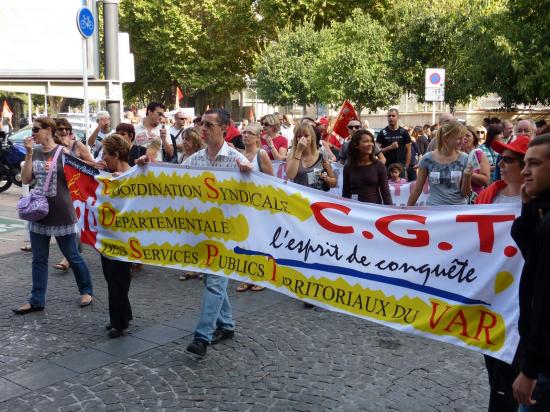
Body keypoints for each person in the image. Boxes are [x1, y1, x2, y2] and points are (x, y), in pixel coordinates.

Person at [180, 108, 253, 357]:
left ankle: (202, 336)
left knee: (214, 280)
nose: (203, 128)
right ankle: (227, 324)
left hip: (228, 234)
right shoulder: (193, 161)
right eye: (202, 123)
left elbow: (255, 195)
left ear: (225, 128)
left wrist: (248, 176)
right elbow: (170, 185)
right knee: (213, 280)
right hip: (202, 232)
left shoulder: (238, 161)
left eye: (209, 125)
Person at [12, 117, 93, 314]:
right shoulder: (36, 152)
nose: (33, 133)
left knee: (72, 255)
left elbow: (83, 174)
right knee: (39, 259)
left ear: (49, 130)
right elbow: (25, 179)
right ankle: (36, 299)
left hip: (61, 212)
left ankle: (86, 290)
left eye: (36, 129)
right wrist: (30, 154)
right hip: (38, 212)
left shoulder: (62, 152)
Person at [475, 136, 529, 412]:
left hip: (522, 297)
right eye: (500, 158)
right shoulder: (491, 193)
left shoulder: (537, 201)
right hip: (491, 293)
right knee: (493, 366)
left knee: (512, 370)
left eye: (508, 160)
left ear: (525, 167)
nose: (500, 164)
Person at [510, 133, 550, 411]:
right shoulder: (542, 216)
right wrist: (528, 207)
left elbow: (544, 301)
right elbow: (530, 251)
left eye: (533, 164)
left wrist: (530, 369)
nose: (524, 172)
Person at [95, 134, 134, 338]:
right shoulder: (109, 175)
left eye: (106, 154)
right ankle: (124, 315)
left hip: (124, 238)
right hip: (108, 235)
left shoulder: (131, 176)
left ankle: (119, 323)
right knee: (111, 277)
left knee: (118, 279)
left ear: (116, 154)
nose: (104, 158)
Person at [52, 117, 96, 272]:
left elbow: (93, 165)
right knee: (66, 225)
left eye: (67, 129)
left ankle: (68, 258)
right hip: (58, 191)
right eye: (60, 129)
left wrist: (71, 158)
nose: (64, 132)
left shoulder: (77, 146)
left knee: (75, 222)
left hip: (76, 189)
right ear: (54, 132)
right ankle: (74, 252)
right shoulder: (52, 147)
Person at [236, 123, 274, 292]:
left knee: (259, 242)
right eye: (244, 132)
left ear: (258, 137)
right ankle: (246, 276)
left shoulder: (262, 154)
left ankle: (262, 277)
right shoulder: (239, 154)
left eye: (250, 133)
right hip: (243, 204)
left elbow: (271, 180)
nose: (245, 135)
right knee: (245, 241)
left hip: (259, 205)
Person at [407, 120, 472, 206]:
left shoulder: (465, 158)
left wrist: (468, 177)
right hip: (435, 212)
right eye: (459, 138)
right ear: (446, 138)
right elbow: (417, 189)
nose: (463, 141)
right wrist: (406, 212)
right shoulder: (427, 159)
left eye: (463, 138)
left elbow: (465, 194)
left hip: (458, 211)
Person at [342, 129, 392, 205]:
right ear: (356, 145)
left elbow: (385, 193)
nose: (370, 144)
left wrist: (390, 213)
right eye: (366, 141)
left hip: (374, 210)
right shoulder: (348, 167)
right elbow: (345, 193)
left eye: (371, 141)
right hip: (354, 210)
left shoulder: (379, 165)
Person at [286, 123, 337, 192]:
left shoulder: (321, 155)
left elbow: (333, 183)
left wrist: (325, 177)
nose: (303, 138)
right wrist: (299, 151)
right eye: (299, 136)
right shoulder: (291, 155)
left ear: (312, 137)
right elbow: (290, 176)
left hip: (317, 198)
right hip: (298, 197)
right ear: (296, 139)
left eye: (306, 136)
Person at [376, 108, 411, 179]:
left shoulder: (404, 132)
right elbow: (377, 151)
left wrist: (406, 166)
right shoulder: (382, 133)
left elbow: (409, 151)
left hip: (400, 167)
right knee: (387, 188)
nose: (391, 118)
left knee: (401, 187)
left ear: (398, 117)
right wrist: (390, 147)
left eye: (393, 116)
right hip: (387, 167)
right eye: (389, 116)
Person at [462, 125, 491, 199]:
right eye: (461, 136)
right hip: (456, 199)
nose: (464, 138)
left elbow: (485, 181)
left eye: (467, 136)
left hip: (474, 198)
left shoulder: (478, 154)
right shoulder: (455, 154)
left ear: (474, 139)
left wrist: (467, 173)